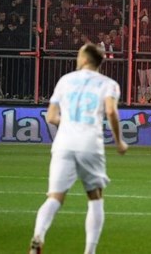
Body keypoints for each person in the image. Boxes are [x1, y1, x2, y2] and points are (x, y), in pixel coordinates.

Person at [28, 43, 128, 254]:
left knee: (54, 197)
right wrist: (119, 141)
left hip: (63, 143)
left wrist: (69, 123)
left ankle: (38, 235)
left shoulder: (65, 80)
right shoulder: (108, 84)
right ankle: (89, 251)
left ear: (83, 59)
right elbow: (111, 111)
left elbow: (51, 116)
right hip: (90, 144)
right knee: (95, 196)